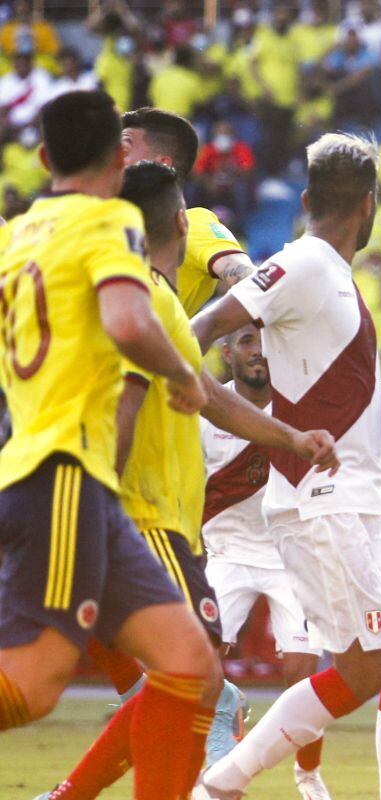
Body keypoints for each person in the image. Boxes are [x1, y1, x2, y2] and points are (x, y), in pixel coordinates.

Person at [36, 161, 339, 799]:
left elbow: (207, 395)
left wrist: (290, 438)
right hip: (141, 517)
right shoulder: (147, 300)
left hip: (126, 512)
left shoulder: (124, 295)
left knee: (177, 676)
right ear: (182, 222)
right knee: (188, 673)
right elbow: (131, 404)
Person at [191, 133, 381, 799]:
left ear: (306, 198)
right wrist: (197, 393)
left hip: (362, 501)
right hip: (321, 502)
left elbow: (320, 382)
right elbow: (203, 329)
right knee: (363, 670)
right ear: (370, 205)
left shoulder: (330, 274)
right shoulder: (300, 264)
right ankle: (219, 785)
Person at [0, 89, 218, 796]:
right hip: (65, 466)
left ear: (43, 157)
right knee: (35, 683)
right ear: (118, 162)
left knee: (187, 663)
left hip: (50, 462)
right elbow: (126, 322)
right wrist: (181, 374)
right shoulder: (109, 221)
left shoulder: (16, 235)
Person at [201, 323, 331, 797]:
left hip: (289, 554)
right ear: (226, 351)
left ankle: (308, 774)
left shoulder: (300, 409)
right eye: (246, 342)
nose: (258, 352)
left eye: (265, 342)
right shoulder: (205, 409)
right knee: (195, 666)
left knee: (301, 673)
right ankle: (223, 714)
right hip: (226, 552)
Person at [120, 107, 255, 316]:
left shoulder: (190, 224)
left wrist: (208, 327)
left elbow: (253, 283)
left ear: (161, 166)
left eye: (123, 150)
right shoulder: (94, 223)